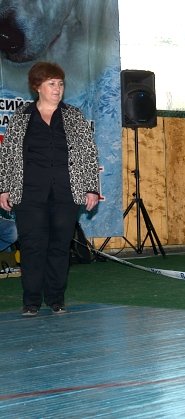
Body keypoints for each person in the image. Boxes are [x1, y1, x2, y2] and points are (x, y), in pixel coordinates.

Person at [0, 62, 100, 317]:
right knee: (33, 247)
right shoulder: (21, 118)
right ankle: (31, 301)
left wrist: (90, 188)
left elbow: (88, 154)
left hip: (66, 193)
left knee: (59, 246)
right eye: (51, 84)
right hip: (29, 193)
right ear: (37, 87)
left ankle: (56, 299)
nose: (58, 89)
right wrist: (4, 189)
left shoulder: (74, 116)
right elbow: (8, 156)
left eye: (61, 84)